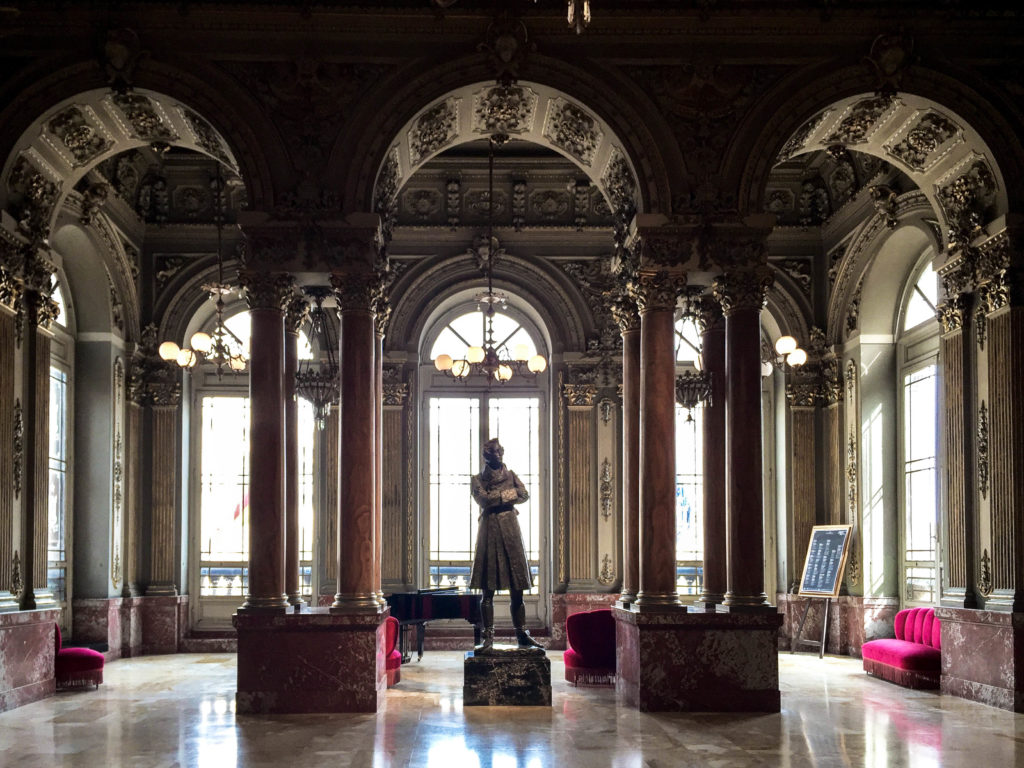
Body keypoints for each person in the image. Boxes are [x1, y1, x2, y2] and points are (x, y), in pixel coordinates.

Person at [469, 438, 543, 651]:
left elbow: (524, 494)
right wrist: (508, 497)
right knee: (487, 589)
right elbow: (483, 500)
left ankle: (521, 634)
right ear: (486, 456)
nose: (498, 454)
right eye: (494, 451)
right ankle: (488, 638)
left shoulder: (511, 475)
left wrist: (498, 496)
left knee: (517, 588)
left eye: (500, 451)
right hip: (489, 531)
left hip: (511, 531)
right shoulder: (477, 480)